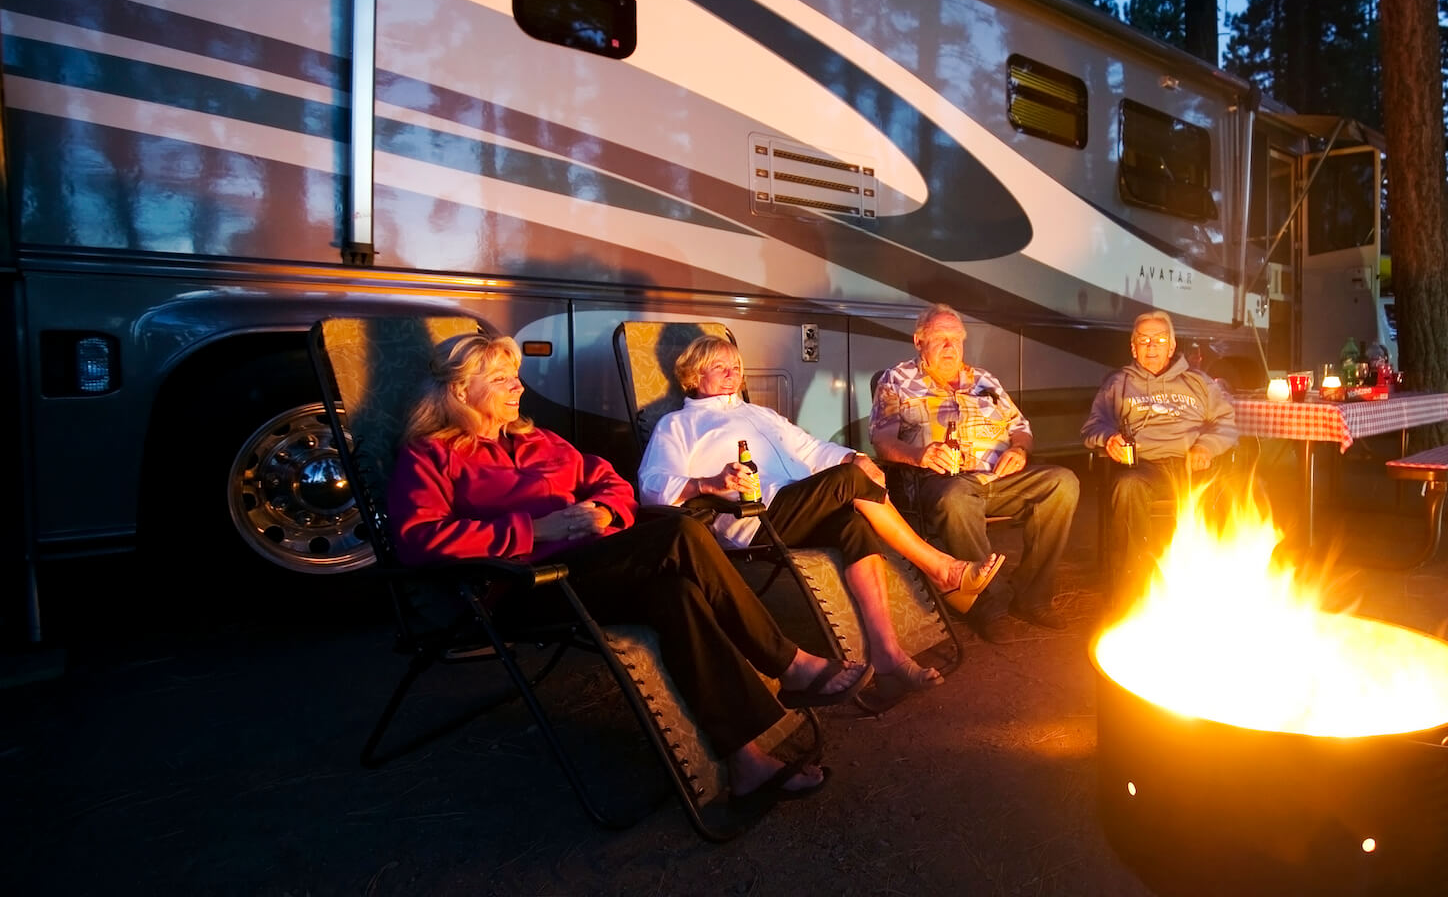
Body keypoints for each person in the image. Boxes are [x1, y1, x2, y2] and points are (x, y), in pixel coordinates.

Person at [387, 332, 869, 805]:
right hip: (523, 587)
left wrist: (605, 511)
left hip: (592, 569)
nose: (518, 388)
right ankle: (789, 662)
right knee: (680, 532)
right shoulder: (431, 455)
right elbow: (417, 540)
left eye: (516, 377)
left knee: (676, 594)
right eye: (501, 379)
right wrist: (538, 530)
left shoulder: (538, 440)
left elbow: (612, 482)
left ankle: (746, 760)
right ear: (459, 390)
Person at [637, 335, 1003, 694]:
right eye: (720, 367)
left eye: (736, 367)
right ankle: (942, 569)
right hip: (753, 518)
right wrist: (709, 483)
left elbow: (811, 449)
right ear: (694, 376)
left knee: (853, 523)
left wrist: (853, 456)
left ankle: (887, 654)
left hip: (797, 505)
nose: (732, 374)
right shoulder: (678, 426)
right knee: (849, 481)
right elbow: (652, 485)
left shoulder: (759, 414)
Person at [870, 304, 1079, 640]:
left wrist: (1020, 450)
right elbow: (881, 439)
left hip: (997, 479)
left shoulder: (984, 380)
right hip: (940, 481)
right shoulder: (897, 381)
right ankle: (989, 602)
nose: (951, 347)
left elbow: (1021, 427)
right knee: (956, 498)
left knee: (1062, 482)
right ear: (919, 341)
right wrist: (919, 455)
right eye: (941, 339)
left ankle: (1032, 595)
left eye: (957, 339)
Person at [1081, 310, 1239, 606]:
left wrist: (1206, 447)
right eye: (1143, 340)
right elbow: (1092, 426)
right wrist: (1108, 438)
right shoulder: (1118, 384)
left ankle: (1219, 586)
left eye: (1159, 339)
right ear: (1133, 347)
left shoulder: (1199, 383)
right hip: (1143, 467)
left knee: (1237, 490)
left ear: (1172, 345)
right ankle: (1133, 590)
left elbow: (1226, 423)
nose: (1151, 346)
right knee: (1127, 486)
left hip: (1192, 465)